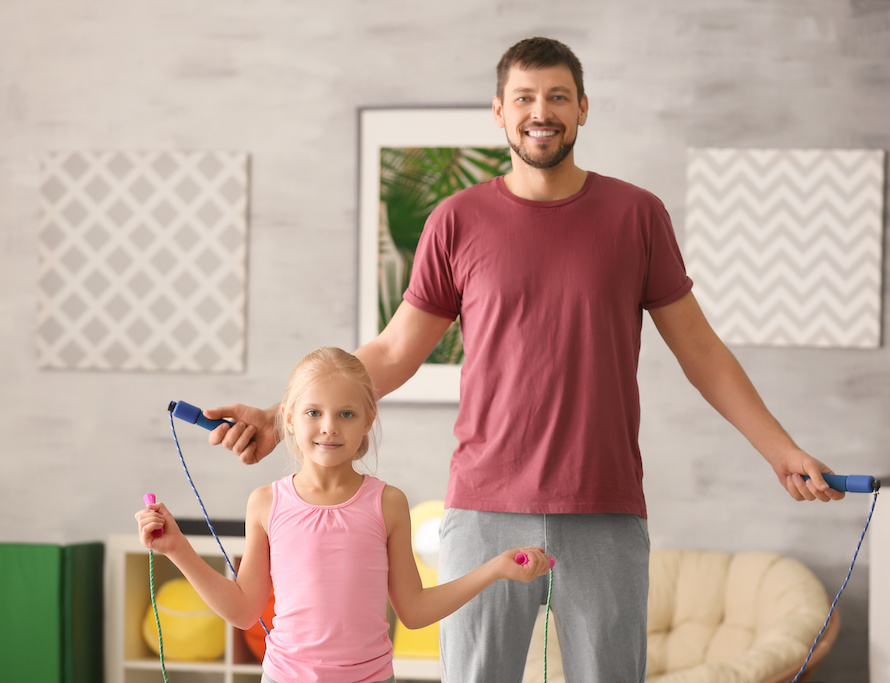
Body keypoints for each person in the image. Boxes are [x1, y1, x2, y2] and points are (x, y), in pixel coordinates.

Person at [203, 37, 845, 683]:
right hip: (483, 509)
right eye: (526, 98)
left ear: (584, 108)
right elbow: (395, 351)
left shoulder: (638, 216)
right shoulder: (455, 220)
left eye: (558, 96)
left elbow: (701, 350)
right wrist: (278, 411)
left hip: (605, 506)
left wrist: (780, 449)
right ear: (500, 112)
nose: (543, 111)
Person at [136, 347, 550, 683]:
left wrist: (495, 569)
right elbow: (245, 610)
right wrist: (176, 548)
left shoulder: (388, 503)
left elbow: (414, 609)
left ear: (369, 419)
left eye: (346, 414)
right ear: (288, 420)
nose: (329, 427)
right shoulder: (265, 503)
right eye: (313, 412)